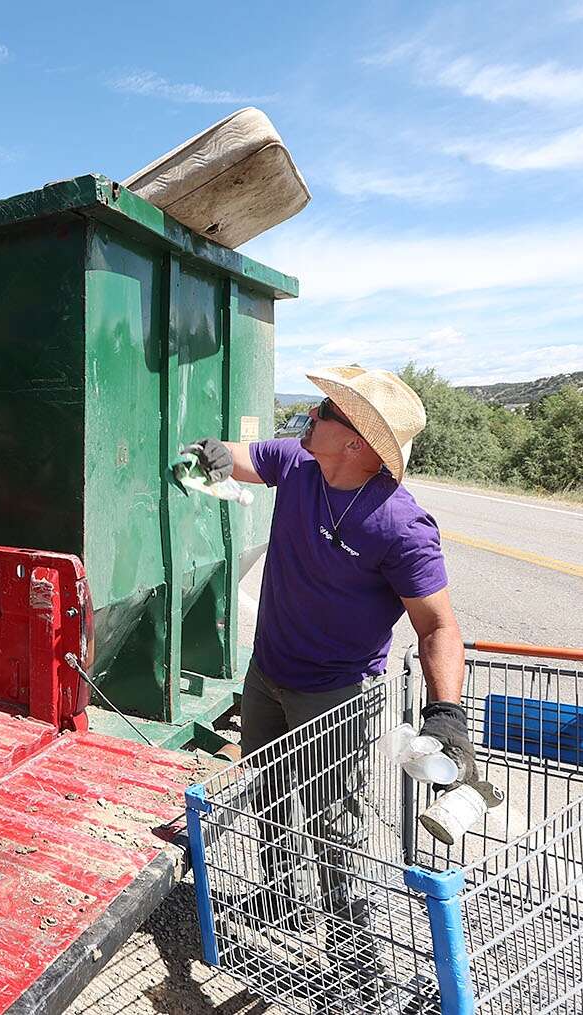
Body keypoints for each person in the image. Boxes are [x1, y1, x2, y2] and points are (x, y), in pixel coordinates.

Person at [188, 365, 475, 1002]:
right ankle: (279, 912)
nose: (311, 416)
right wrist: (211, 454)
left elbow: (438, 626)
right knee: (267, 799)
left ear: (358, 445)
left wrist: (447, 711)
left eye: (325, 411)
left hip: (337, 698)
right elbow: (243, 458)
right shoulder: (300, 465)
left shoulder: (401, 526)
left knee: (333, 828)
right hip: (267, 675)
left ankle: (357, 960)